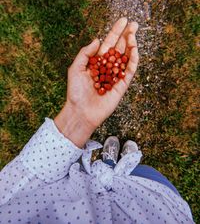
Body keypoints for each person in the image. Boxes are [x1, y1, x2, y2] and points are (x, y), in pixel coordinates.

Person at [0, 18, 194, 224]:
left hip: (84, 185)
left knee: (131, 173)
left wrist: (77, 117)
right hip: (154, 203)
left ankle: (108, 164)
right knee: (146, 175)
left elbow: (16, 186)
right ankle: (116, 166)